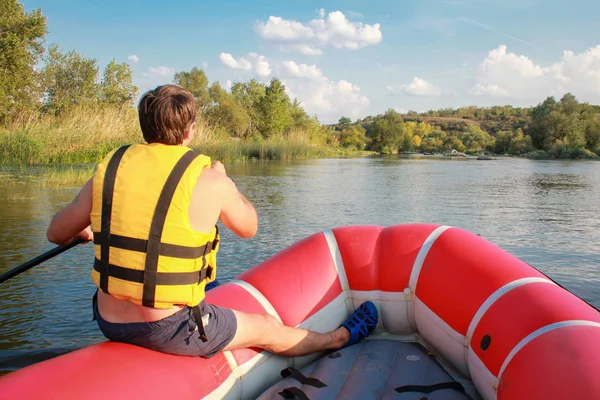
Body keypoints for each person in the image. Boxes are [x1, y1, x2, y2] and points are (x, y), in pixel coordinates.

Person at [46, 84, 378, 359]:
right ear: (190, 131)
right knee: (266, 326)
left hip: (107, 319)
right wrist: (225, 181)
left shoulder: (111, 168)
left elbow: (56, 233)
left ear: (144, 128)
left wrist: (91, 229)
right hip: (169, 330)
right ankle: (337, 338)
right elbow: (250, 228)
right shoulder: (208, 179)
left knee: (201, 283)